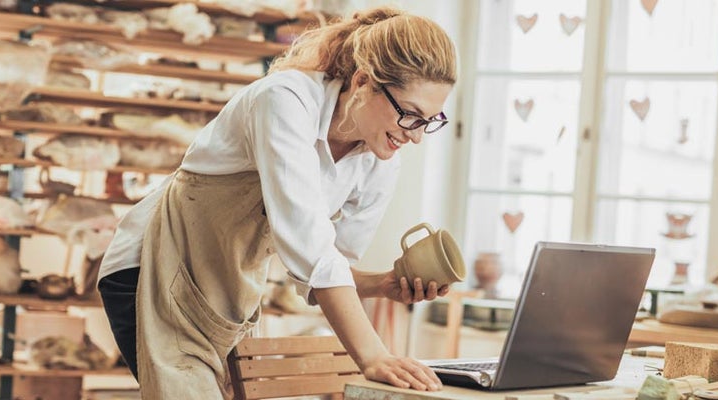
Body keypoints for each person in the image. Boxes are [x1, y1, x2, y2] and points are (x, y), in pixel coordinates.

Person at [97, 6, 458, 398]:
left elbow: (323, 276)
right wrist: (373, 356)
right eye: (410, 114)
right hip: (148, 270)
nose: (416, 135)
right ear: (363, 80)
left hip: (224, 296)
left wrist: (382, 284)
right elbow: (313, 253)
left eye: (429, 122)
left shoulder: (379, 162)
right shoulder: (284, 100)